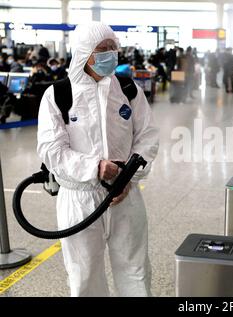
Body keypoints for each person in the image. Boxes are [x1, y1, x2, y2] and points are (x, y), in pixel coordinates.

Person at [37, 22, 159, 297]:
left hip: (124, 194)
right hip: (79, 197)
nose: (110, 54)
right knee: (84, 275)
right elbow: (51, 149)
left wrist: (128, 177)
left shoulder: (127, 89)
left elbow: (148, 136)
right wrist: (95, 168)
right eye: (102, 49)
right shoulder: (58, 95)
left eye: (113, 48)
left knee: (135, 271)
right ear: (84, 53)